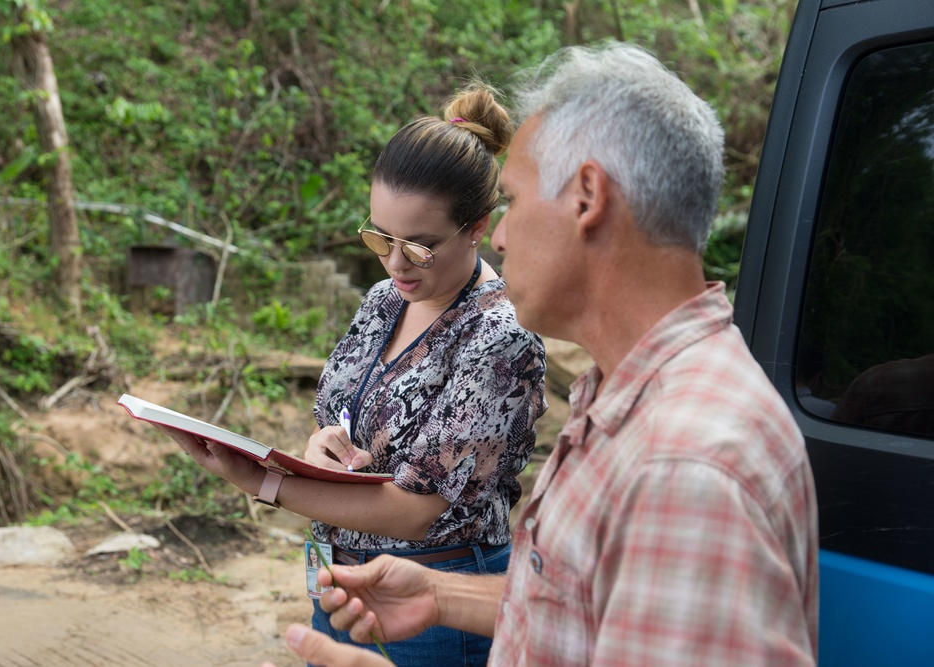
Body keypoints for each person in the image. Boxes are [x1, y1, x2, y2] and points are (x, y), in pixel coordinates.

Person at [261, 41, 820, 667]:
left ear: (587, 196)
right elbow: (585, 608)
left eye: (516, 202)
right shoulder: (632, 404)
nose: (498, 235)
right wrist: (442, 593)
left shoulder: (685, 465)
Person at [160, 81, 547, 667]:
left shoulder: (500, 337)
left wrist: (266, 484)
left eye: (419, 247)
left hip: (440, 600)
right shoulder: (383, 301)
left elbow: (420, 509)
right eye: (380, 237)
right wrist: (325, 445)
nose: (395, 262)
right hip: (341, 583)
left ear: (476, 226)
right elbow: (342, 414)